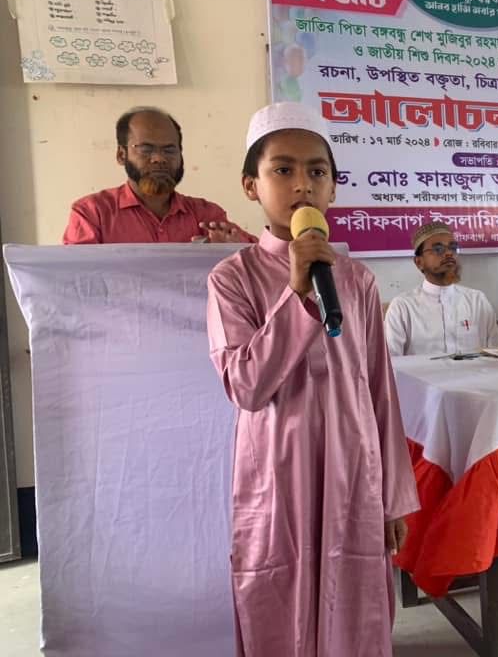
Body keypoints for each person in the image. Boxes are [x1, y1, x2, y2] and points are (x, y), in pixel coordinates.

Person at [206, 102, 418, 655]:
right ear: (251, 186)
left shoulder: (357, 279)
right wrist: (296, 292)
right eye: (283, 169)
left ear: (333, 188)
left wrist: (394, 495)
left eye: (317, 171)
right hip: (278, 474)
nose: (302, 184)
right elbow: (246, 385)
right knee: (278, 595)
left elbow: (380, 392)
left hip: (353, 472)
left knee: (355, 601)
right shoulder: (232, 278)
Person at [64, 107, 255, 244]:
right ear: (121, 155)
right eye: (146, 149)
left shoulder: (206, 216)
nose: (159, 158)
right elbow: (76, 280)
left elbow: (263, 256)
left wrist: (237, 251)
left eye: (170, 150)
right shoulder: (92, 214)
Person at [384, 221, 498, 356]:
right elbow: (390, 361)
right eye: (438, 249)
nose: (449, 254)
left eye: (453, 248)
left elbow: (497, 352)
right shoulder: (403, 306)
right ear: (419, 262)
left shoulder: (477, 300)